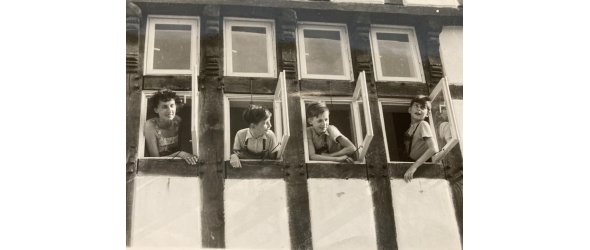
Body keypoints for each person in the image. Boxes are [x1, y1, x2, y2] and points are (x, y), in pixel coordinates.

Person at [144, 89, 198, 165]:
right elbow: (154, 159)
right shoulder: (150, 125)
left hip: (176, 163)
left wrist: (182, 155)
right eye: (164, 107)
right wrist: (180, 154)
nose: (170, 110)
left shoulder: (178, 121)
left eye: (172, 105)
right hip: (157, 166)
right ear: (156, 110)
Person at [403, 95, 440, 182]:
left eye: (423, 107)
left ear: (428, 113)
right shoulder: (409, 129)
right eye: (416, 106)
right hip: (409, 161)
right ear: (409, 110)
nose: (419, 109)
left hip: (417, 166)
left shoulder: (423, 124)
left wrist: (413, 167)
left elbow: (433, 149)